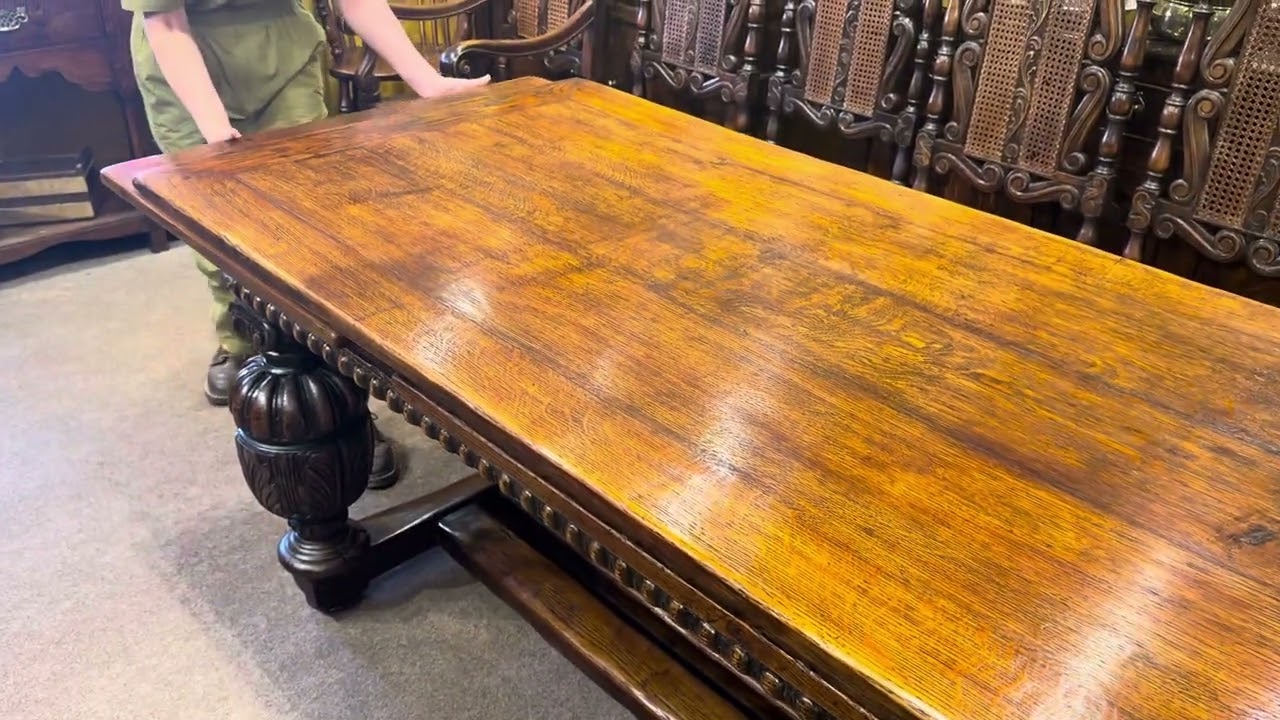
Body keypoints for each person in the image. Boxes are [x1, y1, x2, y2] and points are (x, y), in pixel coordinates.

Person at [126, 0, 488, 486]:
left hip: (284, 53)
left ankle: (340, 406)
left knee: (311, 237)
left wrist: (426, 81)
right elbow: (166, 23)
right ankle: (238, 341)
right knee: (220, 229)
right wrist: (218, 138)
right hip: (186, 59)